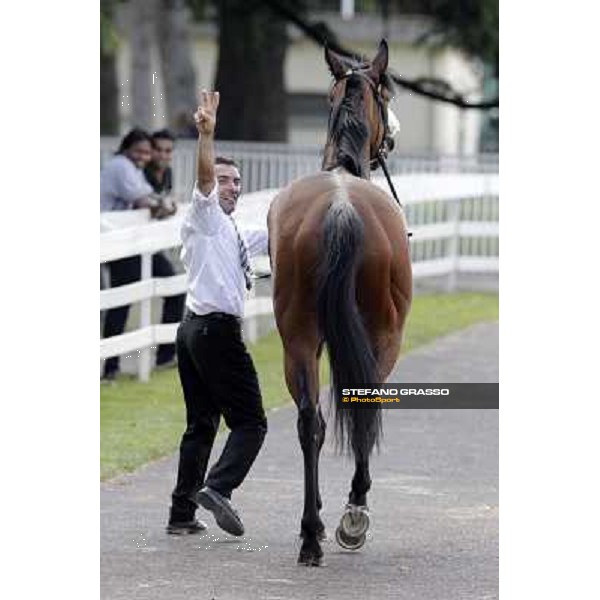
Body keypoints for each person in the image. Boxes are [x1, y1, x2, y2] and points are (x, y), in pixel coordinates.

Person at [167, 90, 268, 537]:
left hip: (193, 332)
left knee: (202, 425)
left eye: (237, 181)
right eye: (227, 180)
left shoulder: (232, 228)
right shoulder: (205, 215)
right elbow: (204, 180)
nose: (232, 186)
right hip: (213, 332)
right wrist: (206, 136)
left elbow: (278, 229)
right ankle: (219, 488)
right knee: (251, 421)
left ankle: (181, 514)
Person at [100, 128, 183, 381]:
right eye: (140, 150)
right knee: (119, 302)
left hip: (133, 242)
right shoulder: (121, 166)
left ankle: (165, 356)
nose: (144, 156)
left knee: (171, 285)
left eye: (147, 152)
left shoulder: (134, 169)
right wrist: (161, 205)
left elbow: (152, 198)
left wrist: (160, 204)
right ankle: (110, 368)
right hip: (115, 241)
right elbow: (143, 200)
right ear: (127, 148)